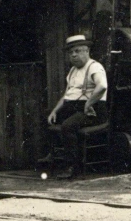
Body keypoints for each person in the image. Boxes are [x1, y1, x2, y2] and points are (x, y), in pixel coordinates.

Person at [45, 33, 109, 175]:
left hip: (93, 111)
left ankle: (71, 166)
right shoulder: (73, 70)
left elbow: (102, 86)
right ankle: (53, 155)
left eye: (77, 51)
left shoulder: (94, 67)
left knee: (68, 126)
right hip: (74, 108)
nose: (73, 55)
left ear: (87, 51)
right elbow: (67, 95)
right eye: (71, 52)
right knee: (48, 117)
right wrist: (54, 111)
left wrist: (88, 104)